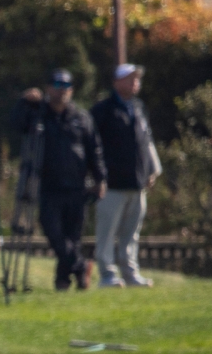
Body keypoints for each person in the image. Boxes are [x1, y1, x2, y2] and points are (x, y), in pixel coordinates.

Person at [17, 69, 100, 292]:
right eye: (56, 85)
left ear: (71, 90)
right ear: (48, 88)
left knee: (73, 237)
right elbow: (18, 125)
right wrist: (24, 102)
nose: (61, 90)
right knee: (53, 233)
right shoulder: (39, 114)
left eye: (66, 86)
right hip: (48, 186)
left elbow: (94, 149)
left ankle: (63, 280)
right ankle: (81, 266)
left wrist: (100, 178)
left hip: (77, 186)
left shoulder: (81, 117)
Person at [90, 64, 158, 289]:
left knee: (131, 233)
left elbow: (145, 142)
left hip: (137, 183)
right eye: (129, 79)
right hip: (112, 185)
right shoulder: (103, 110)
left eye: (136, 79)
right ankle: (107, 275)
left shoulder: (138, 107)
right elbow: (93, 146)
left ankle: (130, 274)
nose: (134, 82)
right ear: (117, 83)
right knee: (107, 234)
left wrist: (151, 169)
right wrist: (97, 176)